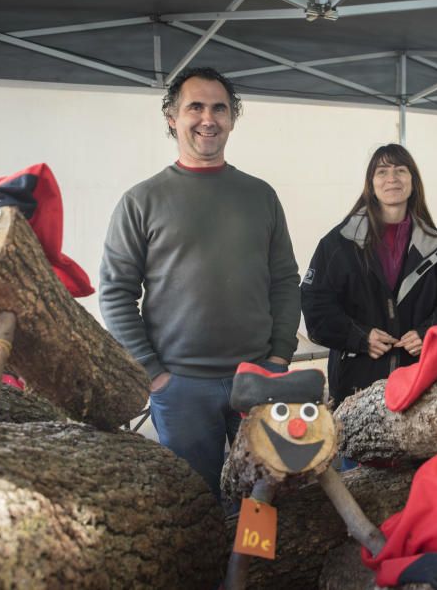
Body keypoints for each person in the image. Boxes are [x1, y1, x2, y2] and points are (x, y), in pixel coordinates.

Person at [99, 67, 301, 499]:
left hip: (258, 380)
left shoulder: (260, 195)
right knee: (195, 505)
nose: (208, 118)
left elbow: (285, 280)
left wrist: (280, 356)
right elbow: (115, 293)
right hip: (181, 387)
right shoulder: (142, 201)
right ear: (172, 117)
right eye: (195, 107)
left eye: (219, 108)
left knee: (267, 497)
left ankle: (259, 569)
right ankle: (208, 569)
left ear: (231, 119)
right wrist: (153, 373)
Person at [301, 143, 437, 406]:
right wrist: (360, 337)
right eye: (382, 171)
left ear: (413, 181)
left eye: (400, 170)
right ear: (371, 183)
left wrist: (428, 333)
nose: (392, 178)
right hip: (356, 385)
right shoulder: (338, 244)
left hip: (420, 382)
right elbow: (315, 306)